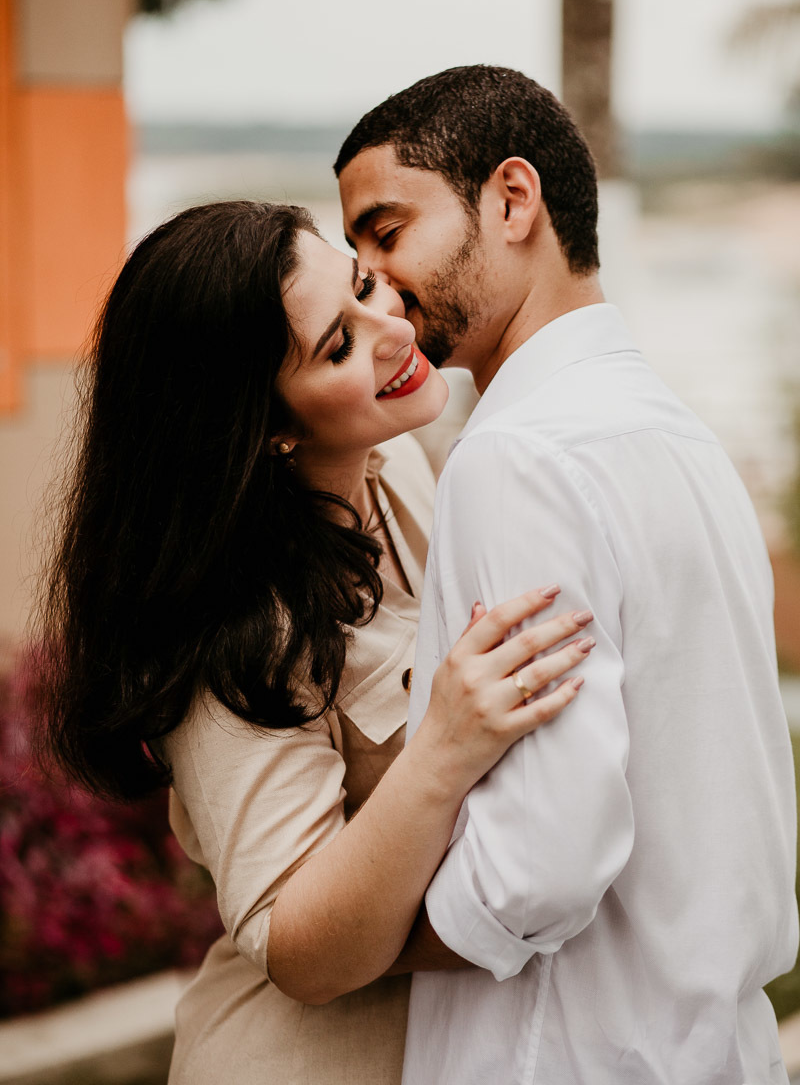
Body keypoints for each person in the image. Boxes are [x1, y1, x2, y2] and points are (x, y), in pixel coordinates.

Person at [35, 199, 598, 1084]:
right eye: (337, 345)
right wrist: (443, 747)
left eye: (367, 285)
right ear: (264, 426)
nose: (389, 328)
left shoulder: (402, 467)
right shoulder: (232, 635)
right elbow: (297, 949)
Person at [336, 65, 799, 1085]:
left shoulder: (515, 458)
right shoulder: (680, 438)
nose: (371, 280)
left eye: (384, 231)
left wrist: (355, 947)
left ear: (510, 200)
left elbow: (538, 865)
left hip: (564, 1056)